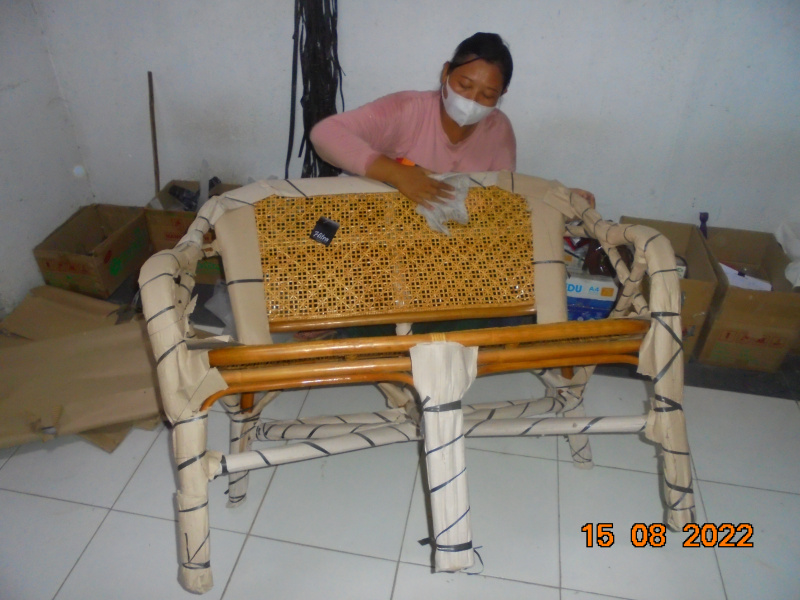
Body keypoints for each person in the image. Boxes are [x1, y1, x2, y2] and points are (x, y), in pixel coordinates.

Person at [311, 32, 594, 208]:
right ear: (446, 72)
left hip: (449, 243)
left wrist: (554, 198)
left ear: (502, 94)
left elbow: (503, 196)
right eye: (464, 85)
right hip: (385, 230)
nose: (472, 100)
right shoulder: (408, 110)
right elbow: (325, 134)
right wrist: (397, 174)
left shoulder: (498, 130)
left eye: (488, 95)